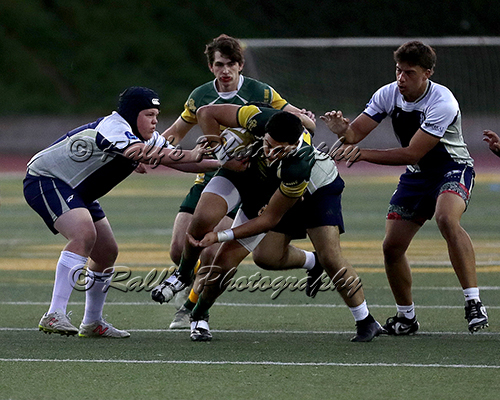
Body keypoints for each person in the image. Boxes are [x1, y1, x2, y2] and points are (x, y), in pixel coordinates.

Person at [154, 103, 383, 342]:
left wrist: (220, 236)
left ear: (295, 145)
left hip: (316, 191)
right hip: (260, 181)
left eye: (279, 150)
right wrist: (222, 153)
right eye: (268, 145)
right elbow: (206, 112)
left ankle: (365, 320)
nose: (270, 153)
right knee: (259, 256)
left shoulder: (298, 166)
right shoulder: (260, 119)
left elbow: (268, 219)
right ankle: (188, 286)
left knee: (330, 256)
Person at [321, 40, 489, 334]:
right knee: (392, 248)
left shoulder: (443, 102)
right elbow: (355, 134)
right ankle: (406, 318)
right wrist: (343, 131)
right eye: (398, 70)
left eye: (409, 73)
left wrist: (362, 154)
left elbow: (412, 153)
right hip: (417, 175)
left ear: (427, 73)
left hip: (453, 168)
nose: (401, 78)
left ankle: (473, 301)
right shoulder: (388, 93)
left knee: (446, 218)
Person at [23, 86, 217, 338]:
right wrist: (191, 153)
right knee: (83, 234)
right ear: (132, 114)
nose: (155, 121)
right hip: (46, 178)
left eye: (156, 115)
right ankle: (54, 314)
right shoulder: (114, 127)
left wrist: (226, 164)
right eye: (149, 114)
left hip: (77, 189)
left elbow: (181, 161)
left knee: (106, 252)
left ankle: (92, 322)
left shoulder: (144, 136)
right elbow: (147, 153)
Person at [159, 34, 321, 329]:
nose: (225, 70)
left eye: (231, 63)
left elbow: (295, 120)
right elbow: (176, 131)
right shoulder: (201, 96)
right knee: (180, 248)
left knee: (215, 253)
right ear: (211, 67)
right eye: (219, 64)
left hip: (253, 175)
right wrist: (152, 151)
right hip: (215, 171)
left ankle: (192, 308)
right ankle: (183, 278)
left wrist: (305, 119)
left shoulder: (260, 94)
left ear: (240, 64)